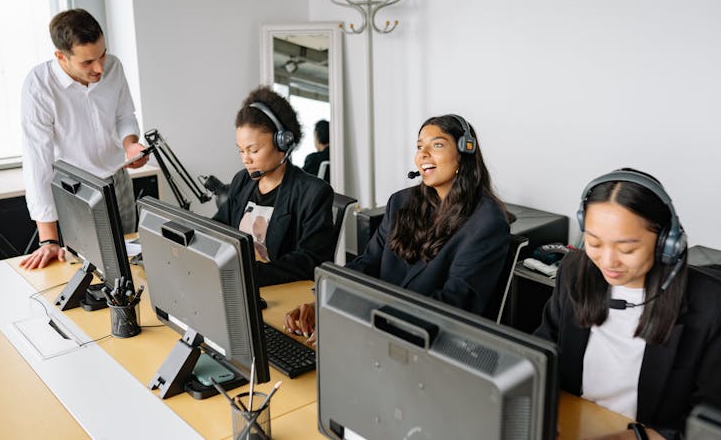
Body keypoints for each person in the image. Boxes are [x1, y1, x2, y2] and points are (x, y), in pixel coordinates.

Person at [534, 168, 721, 439]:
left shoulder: (715, 307)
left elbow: (715, 425)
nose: (607, 261)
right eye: (594, 243)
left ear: (667, 243)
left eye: (627, 249)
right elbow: (542, 351)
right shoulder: (574, 271)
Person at [285, 114, 511, 339]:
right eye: (419, 146)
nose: (423, 154)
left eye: (438, 145)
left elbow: (454, 304)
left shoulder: (487, 223)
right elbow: (369, 263)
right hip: (378, 329)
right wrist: (325, 300)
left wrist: (361, 317)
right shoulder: (400, 203)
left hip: (427, 341)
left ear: (464, 154)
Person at [19, 8, 148, 270]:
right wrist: (48, 240)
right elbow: (37, 162)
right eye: (87, 62)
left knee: (129, 262)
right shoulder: (38, 86)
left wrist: (130, 144)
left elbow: (124, 115)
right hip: (76, 191)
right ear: (60, 57)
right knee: (87, 267)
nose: (100, 67)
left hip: (117, 180)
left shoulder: (113, 66)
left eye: (101, 54)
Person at [213, 86, 334, 286]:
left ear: (283, 143)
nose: (246, 159)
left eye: (253, 150)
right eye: (241, 151)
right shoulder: (242, 181)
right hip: (239, 287)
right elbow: (216, 229)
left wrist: (249, 274)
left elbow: (309, 261)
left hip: (280, 294)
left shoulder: (313, 193)